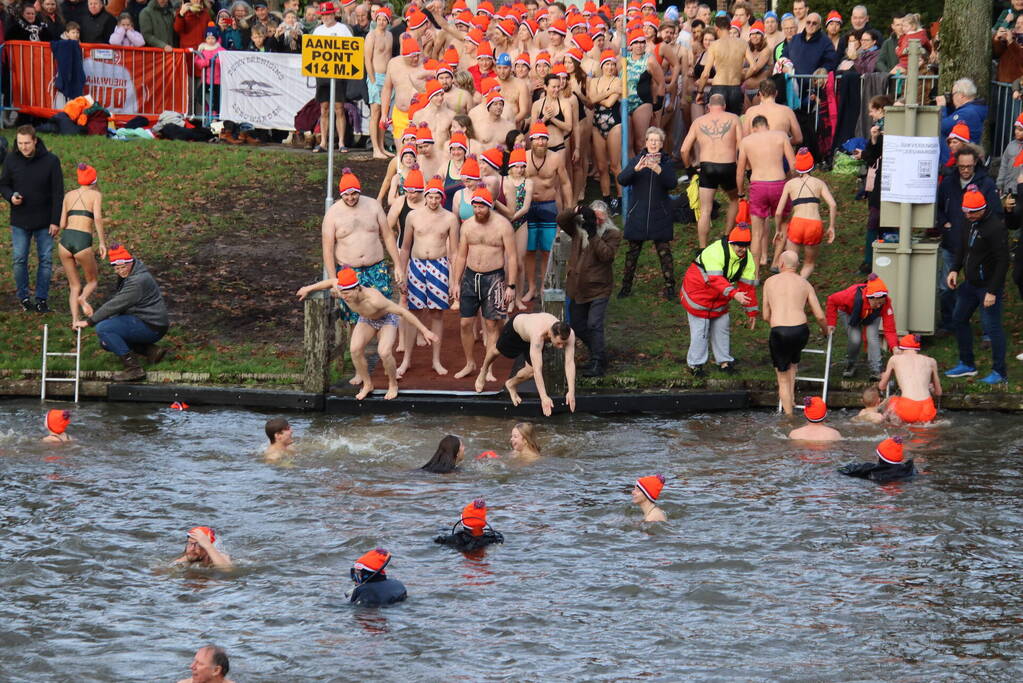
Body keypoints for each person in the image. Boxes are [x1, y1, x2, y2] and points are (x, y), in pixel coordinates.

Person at [296, 267, 439, 400]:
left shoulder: (375, 299)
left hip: (386, 319)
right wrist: (307, 288)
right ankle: (367, 384)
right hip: (366, 319)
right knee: (355, 349)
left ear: (358, 288)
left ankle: (393, 384)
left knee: (384, 352)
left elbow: (402, 312)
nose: (344, 297)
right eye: (342, 293)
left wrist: (425, 330)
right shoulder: (342, 290)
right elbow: (330, 282)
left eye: (347, 293)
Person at [73, 244, 170, 382]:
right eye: (117, 269)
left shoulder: (137, 281)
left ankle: (134, 369)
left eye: (123, 267)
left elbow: (116, 304)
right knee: (106, 341)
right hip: (148, 322)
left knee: (103, 329)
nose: (121, 271)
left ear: (130, 262)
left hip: (151, 325)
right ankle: (151, 351)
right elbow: (120, 305)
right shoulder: (134, 273)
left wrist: (90, 321)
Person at [450, 187, 517, 382]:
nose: (477, 210)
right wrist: (456, 282)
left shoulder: (503, 226)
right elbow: (461, 255)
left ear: (489, 206)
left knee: (491, 324)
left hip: (494, 278)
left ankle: (487, 368)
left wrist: (511, 286)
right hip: (471, 277)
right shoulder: (468, 226)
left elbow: (512, 257)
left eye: (481, 207)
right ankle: (470, 362)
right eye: (475, 207)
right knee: (465, 323)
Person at [321, 169, 403, 327]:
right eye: (346, 195)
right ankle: (355, 351)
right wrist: (333, 280)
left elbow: (387, 235)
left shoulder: (373, 205)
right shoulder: (332, 214)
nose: (350, 198)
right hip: (349, 272)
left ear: (359, 191)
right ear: (341, 194)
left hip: (376, 268)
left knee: (383, 311)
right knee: (354, 317)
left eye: (354, 194)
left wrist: (398, 265)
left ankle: (381, 350)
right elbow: (327, 249)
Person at [945, 186, 1009, 384]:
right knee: (958, 319)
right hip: (970, 284)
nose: (968, 215)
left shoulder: (995, 228)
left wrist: (992, 290)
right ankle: (967, 363)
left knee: (992, 327)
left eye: (972, 212)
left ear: (982, 209)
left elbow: (1003, 261)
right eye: (965, 212)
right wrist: (955, 269)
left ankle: (1000, 372)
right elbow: (963, 247)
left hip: (988, 286)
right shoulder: (969, 222)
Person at [935, 147, 1000, 336]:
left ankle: (988, 331)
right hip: (952, 242)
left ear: (975, 164)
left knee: (983, 289)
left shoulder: (986, 184)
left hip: (979, 247)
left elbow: (995, 212)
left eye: (969, 167)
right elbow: (939, 208)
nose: (965, 170)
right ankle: (949, 323)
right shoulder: (948, 183)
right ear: (956, 164)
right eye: (962, 166)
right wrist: (944, 223)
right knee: (945, 288)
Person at [397, 175, 457, 378]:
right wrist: (402, 273)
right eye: (430, 197)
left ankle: (436, 360)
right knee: (413, 312)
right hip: (416, 265)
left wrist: (454, 279)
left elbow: (455, 252)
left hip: (439, 266)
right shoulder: (413, 217)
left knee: (437, 313)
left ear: (442, 198)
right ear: (425, 196)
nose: (433, 201)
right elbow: (405, 248)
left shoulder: (450, 218)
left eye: (437, 197)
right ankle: (406, 360)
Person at [680, 222, 758, 376]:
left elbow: (747, 287)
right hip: (698, 294)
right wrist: (734, 293)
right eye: (738, 245)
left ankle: (724, 362)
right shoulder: (716, 252)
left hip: (719, 297)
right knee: (700, 331)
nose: (742, 249)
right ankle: (695, 365)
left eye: (745, 245)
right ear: (731, 243)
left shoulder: (747, 259)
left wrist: (752, 312)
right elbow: (715, 279)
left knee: (722, 327)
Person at [0, 126, 64, 313]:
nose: (24, 147)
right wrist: (11, 197)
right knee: (19, 259)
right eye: (20, 143)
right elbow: (3, 184)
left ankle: (41, 298)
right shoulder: (11, 160)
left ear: (35, 141)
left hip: (45, 221)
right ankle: (24, 297)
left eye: (27, 143)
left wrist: (55, 220)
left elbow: (58, 193)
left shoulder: (51, 161)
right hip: (20, 220)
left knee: (45, 260)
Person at [559, 201, 621, 377]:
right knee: (577, 326)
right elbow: (561, 219)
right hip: (577, 287)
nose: (598, 221)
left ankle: (598, 362)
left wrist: (593, 234)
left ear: (607, 217)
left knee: (594, 324)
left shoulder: (613, 234)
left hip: (599, 288)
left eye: (601, 218)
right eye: (595, 217)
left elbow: (606, 256)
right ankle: (598, 354)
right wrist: (577, 210)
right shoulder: (579, 228)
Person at [762, 250, 827, 415]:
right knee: (792, 364)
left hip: (779, 331)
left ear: (781, 264)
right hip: (800, 331)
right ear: (797, 266)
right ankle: (790, 399)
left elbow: (765, 315)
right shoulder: (804, 283)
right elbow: (819, 315)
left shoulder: (769, 282)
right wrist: (825, 331)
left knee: (782, 377)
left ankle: (789, 417)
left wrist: (778, 325)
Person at [474, 312, 576, 417]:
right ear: (550, 333)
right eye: (558, 343)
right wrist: (544, 397)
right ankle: (484, 370)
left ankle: (511, 384)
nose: (561, 347)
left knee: (530, 371)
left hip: (530, 339)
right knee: (496, 350)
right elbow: (538, 370)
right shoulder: (538, 335)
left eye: (563, 344)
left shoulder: (570, 334)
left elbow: (569, 363)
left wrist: (571, 392)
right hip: (516, 330)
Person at [617, 126, 677, 300]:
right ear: (646, 142)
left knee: (665, 253)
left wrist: (658, 170)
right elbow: (622, 179)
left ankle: (670, 288)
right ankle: (625, 287)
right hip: (639, 214)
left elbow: (672, 183)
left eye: (657, 140)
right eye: (651, 140)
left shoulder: (667, 163)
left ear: (661, 144)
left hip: (660, 215)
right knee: (632, 254)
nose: (653, 143)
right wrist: (634, 169)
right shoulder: (636, 160)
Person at [680, 93, 742, 249]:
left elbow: (683, 150)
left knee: (705, 209)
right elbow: (742, 146)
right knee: (735, 200)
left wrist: (689, 169)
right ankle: (727, 237)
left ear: (708, 107)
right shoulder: (734, 118)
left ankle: (702, 248)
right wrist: (743, 167)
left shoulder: (699, 121)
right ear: (725, 106)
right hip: (728, 165)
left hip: (707, 166)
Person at [736, 115, 796, 266]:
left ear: (753, 128)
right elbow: (793, 164)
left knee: (756, 233)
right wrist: (790, 183)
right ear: (767, 125)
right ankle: (775, 262)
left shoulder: (746, 141)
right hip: (779, 184)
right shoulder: (781, 136)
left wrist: (741, 193)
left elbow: (740, 172)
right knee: (782, 225)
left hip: (758, 185)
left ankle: (755, 274)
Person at [523, 121, 572, 303]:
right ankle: (531, 288)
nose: (541, 143)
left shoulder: (556, 158)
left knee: (546, 250)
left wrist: (568, 209)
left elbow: (565, 183)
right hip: (528, 208)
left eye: (544, 139)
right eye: (538, 139)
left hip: (548, 205)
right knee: (529, 250)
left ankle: (544, 286)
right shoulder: (523, 157)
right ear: (531, 140)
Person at [775, 148, 836, 279]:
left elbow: (779, 212)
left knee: (789, 263)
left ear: (797, 167)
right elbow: (833, 204)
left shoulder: (790, 184)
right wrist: (831, 226)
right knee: (809, 263)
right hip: (814, 225)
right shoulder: (819, 183)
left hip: (797, 223)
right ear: (812, 166)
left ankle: (788, 288)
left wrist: (778, 229)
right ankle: (800, 285)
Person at [58, 163, 107, 326]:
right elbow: (98, 219)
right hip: (82, 240)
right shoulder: (96, 195)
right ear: (94, 180)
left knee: (74, 285)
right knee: (92, 281)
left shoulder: (68, 195)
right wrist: (102, 243)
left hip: (65, 241)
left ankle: (74, 321)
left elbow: (62, 224)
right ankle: (83, 298)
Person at [826, 274, 898, 381]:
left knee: (872, 337)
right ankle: (850, 364)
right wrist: (831, 323)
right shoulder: (850, 295)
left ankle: (875, 369)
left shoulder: (885, 304)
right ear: (869, 297)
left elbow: (890, 329)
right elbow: (832, 300)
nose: (879, 306)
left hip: (872, 315)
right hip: (849, 312)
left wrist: (894, 347)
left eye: (881, 303)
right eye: (877, 302)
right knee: (855, 339)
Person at [310, 2, 353, 153]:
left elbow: (351, 51)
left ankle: (341, 142)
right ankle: (323, 142)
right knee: (324, 108)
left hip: (339, 74)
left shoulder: (343, 29)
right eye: (323, 15)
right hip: (322, 74)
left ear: (334, 14)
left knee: (339, 108)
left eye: (328, 14)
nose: (326, 17)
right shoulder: (317, 31)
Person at [879, 334, 941, 425]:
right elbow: (938, 392)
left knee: (890, 400)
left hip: (907, 409)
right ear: (917, 348)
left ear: (902, 348)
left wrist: (883, 376)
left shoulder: (894, 359)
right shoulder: (931, 361)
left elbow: (882, 386)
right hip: (927, 409)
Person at [695, 14, 746, 115]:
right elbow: (753, 67)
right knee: (734, 121)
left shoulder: (714, 45)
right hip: (735, 87)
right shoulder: (742, 43)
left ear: (716, 28)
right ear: (729, 27)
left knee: (716, 123)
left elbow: (705, 74)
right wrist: (740, 78)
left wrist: (700, 92)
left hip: (718, 88)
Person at [936, 79, 986, 168]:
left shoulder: (968, 112)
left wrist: (942, 108)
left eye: (953, 94)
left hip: (956, 160)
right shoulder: (971, 109)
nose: (951, 97)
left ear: (961, 95)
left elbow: (942, 126)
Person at [365, 6, 395, 159]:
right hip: (375, 76)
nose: (381, 22)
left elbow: (389, 57)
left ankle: (382, 146)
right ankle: (375, 148)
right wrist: (373, 81)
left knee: (384, 114)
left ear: (388, 21)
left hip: (387, 77)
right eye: (379, 19)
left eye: (384, 19)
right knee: (375, 112)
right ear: (375, 20)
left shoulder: (389, 35)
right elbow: (367, 60)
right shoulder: (371, 36)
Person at [434, 498, 505, 551]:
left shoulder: (452, 539)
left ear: (462, 520)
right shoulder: (493, 538)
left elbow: (437, 541)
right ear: (484, 521)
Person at [838, 436, 915, 484]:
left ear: (879, 455)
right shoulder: (909, 469)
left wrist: (840, 468)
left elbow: (842, 469)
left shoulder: (869, 469)